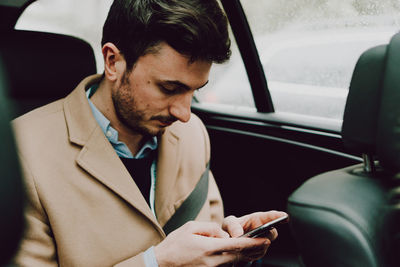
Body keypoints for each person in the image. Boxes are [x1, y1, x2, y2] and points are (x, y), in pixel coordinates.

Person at [12, 0, 288, 266]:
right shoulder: (20, 154)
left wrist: (233, 247)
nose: (185, 113)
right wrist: (157, 264)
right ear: (112, 61)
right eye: (169, 88)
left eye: (196, 90)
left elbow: (206, 244)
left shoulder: (193, 134)